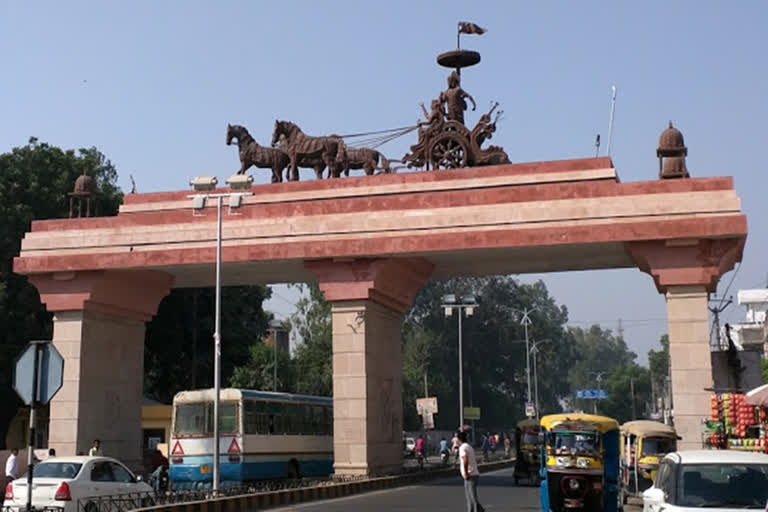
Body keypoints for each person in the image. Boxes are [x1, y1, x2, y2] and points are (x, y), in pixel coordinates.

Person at [458, 431, 484, 512]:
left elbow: (465, 460)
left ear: (459, 439)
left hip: (470, 475)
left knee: (472, 498)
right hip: (474, 474)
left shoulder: (462, 447)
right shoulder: (469, 446)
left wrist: (465, 473)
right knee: (470, 498)